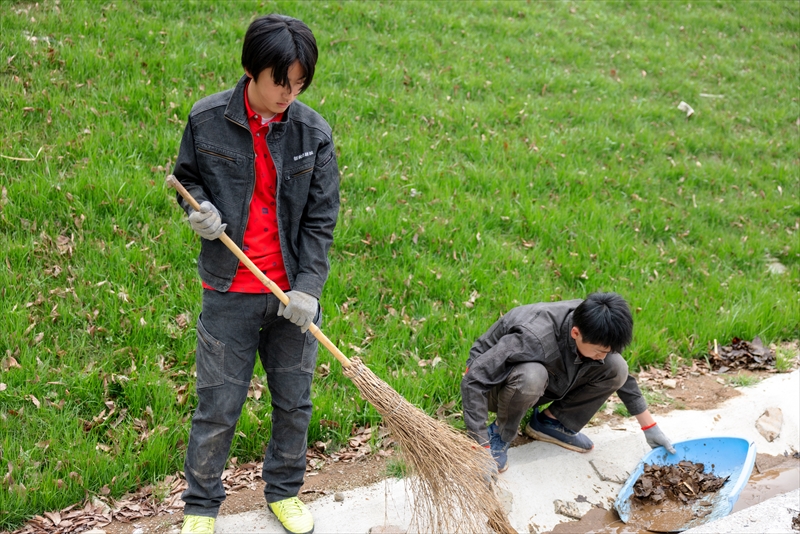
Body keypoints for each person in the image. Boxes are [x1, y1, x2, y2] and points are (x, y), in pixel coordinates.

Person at [171, 14, 339, 534]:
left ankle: (285, 492)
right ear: (251, 71)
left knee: (294, 403)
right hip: (229, 292)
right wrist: (198, 211)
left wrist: (307, 289)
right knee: (218, 407)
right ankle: (201, 506)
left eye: (300, 83)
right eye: (280, 82)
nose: (290, 93)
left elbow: (320, 220)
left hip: (291, 297)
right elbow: (186, 178)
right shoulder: (206, 120)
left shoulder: (314, 133)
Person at [461, 292, 675, 473]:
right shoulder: (532, 337)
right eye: (599, 351)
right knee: (532, 376)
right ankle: (500, 432)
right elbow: (473, 380)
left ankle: (552, 422)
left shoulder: (593, 325)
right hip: (497, 383)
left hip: (545, 375)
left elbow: (623, 378)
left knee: (616, 367)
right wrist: (482, 447)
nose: (602, 356)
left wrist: (649, 427)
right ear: (575, 333)